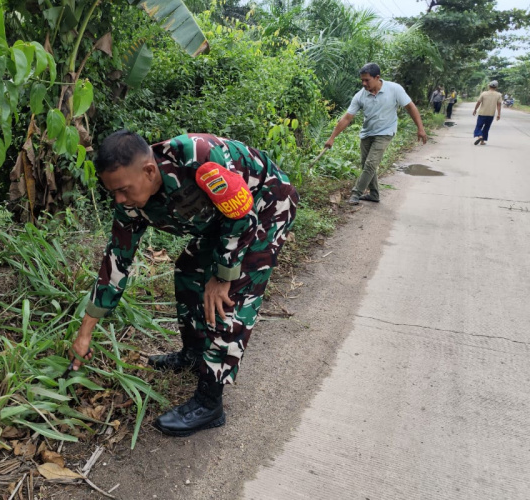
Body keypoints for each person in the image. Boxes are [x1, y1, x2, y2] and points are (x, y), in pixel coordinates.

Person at [68, 130, 299, 437]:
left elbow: (242, 219)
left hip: (264, 206)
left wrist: (221, 277)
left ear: (149, 171)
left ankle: (209, 402)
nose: (119, 199)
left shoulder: (199, 160)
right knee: (189, 267)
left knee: (237, 291)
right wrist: (84, 334)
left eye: (123, 189)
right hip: (223, 220)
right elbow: (116, 262)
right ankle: (194, 353)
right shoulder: (129, 202)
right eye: (113, 192)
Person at [324, 63, 428, 205]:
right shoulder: (360, 96)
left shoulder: (394, 89)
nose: (364, 83)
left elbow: (410, 107)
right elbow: (347, 118)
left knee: (371, 164)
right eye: (362, 80)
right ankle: (374, 194)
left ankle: (356, 193)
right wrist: (332, 137)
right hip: (367, 133)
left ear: (377, 77)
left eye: (367, 80)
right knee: (366, 164)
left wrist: (420, 128)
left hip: (386, 132)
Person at [473, 81, 502, 145]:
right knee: (486, 127)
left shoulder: (484, 93)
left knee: (479, 126)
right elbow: (499, 105)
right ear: (496, 87)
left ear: (489, 86)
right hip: (491, 114)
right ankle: (482, 141)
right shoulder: (499, 95)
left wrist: (475, 109)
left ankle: (480, 136)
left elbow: (478, 102)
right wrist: (499, 114)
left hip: (482, 113)